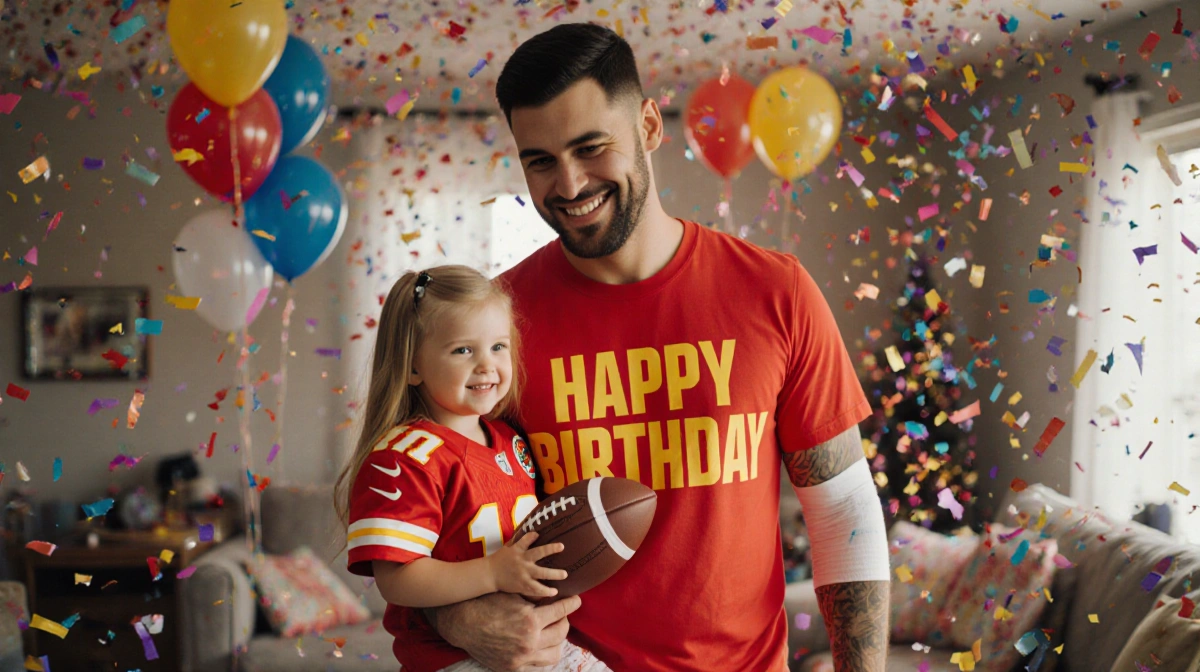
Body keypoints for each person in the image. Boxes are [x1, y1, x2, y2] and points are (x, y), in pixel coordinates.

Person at [425, 23, 893, 672]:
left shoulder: (776, 292)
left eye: (591, 148)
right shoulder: (493, 327)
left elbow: (842, 507)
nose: (567, 184)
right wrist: (463, 617)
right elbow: (425, 522)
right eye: (540, 161)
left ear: (648, 127)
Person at [334, 266, 611, 672]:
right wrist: (493, 573)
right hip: (452, 657)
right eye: (463, 350)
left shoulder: (510, 439)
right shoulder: (404, 457)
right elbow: (396, 579)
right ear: (413, 366)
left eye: (498, 347)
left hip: (534, 638)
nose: (486, 365)